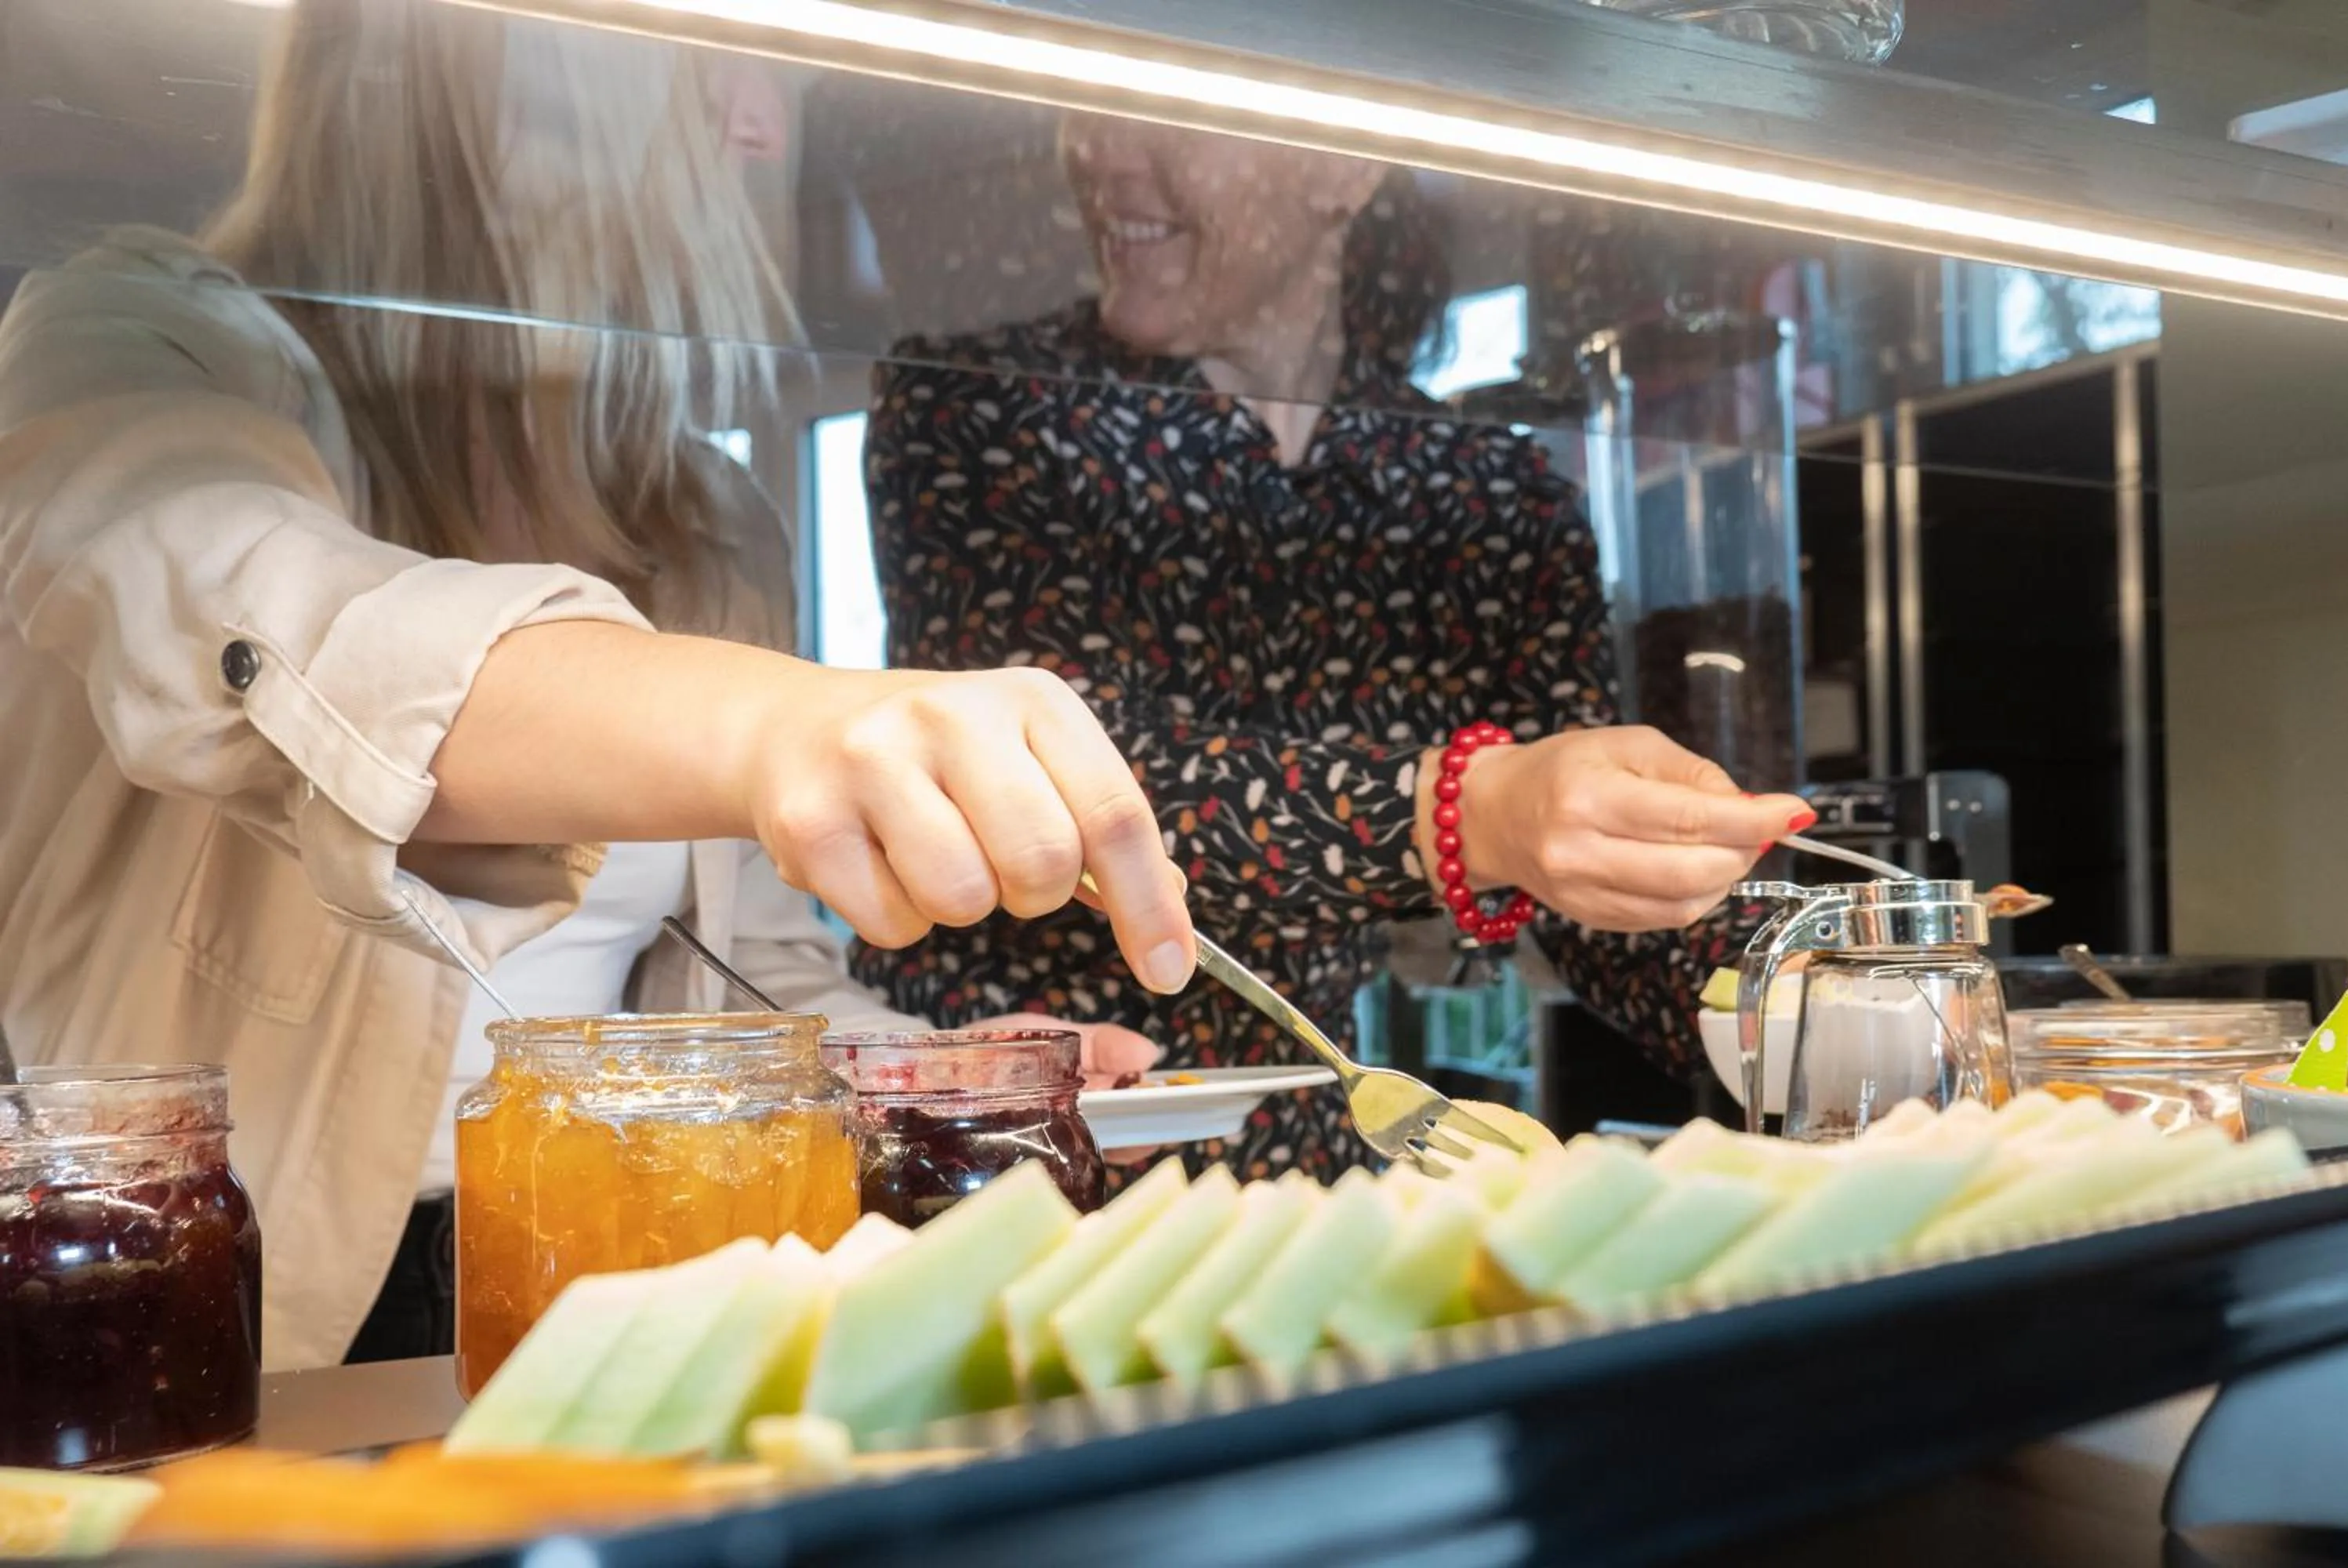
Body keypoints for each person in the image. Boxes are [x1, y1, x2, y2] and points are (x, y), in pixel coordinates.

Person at [0, 4, 1191, 1371]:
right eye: (710, 68)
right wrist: (777, 720)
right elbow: (288, 628)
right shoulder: (133, 341)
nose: (761, 127)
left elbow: (729, 982)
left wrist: (918, 1069)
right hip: (196, 1304)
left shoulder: (704, 515)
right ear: (511, 82)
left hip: (612, 1258)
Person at [861, 114, 1807, 1181]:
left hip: (1312, 1174)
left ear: (1344, 165)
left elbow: (1588, 890)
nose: (1099, 153)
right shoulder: (981, 409)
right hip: (1001, 1166)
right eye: (1084, 113)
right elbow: (1071, 782)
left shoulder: (1487, 492)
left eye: (1163, 113)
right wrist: (1469, 811)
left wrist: (1817, 1003)